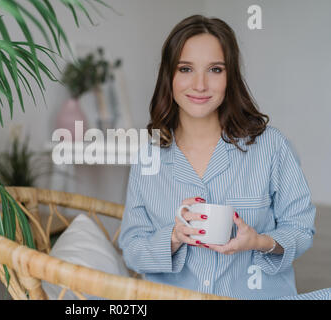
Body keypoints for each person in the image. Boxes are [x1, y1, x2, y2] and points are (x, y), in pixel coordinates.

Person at [118, 14, 319, 299]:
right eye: (186, 69)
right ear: (169, 76)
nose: (200, 85)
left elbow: (300, 228)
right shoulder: (148, 157)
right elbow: (133, 249)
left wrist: (260, 241)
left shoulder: (272, 147)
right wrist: (174, 238)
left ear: (230, 77)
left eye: (215, 70)